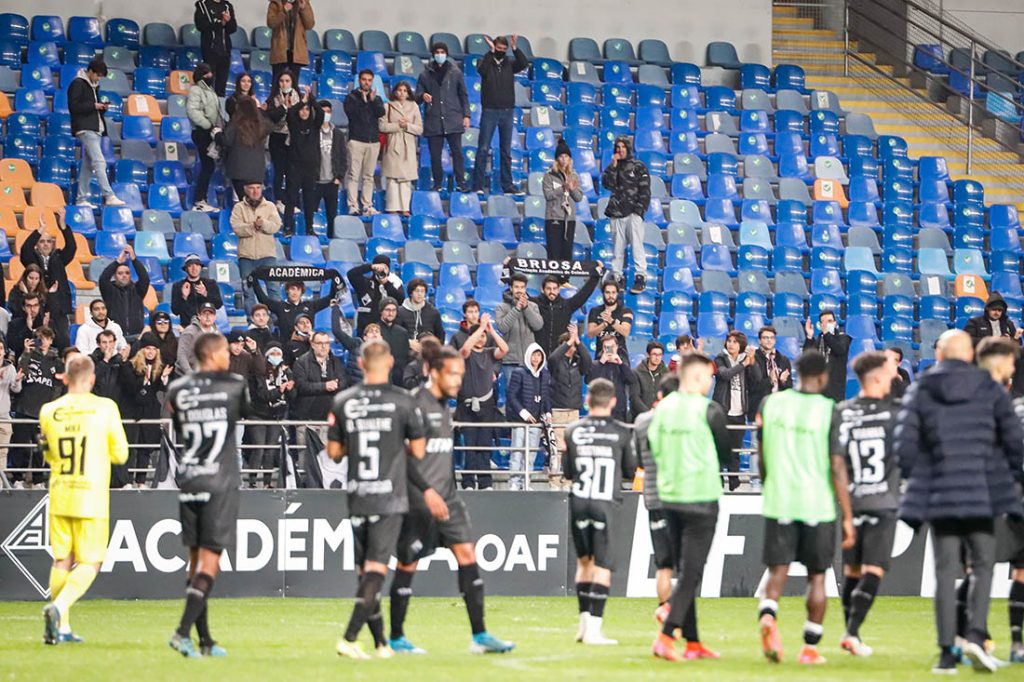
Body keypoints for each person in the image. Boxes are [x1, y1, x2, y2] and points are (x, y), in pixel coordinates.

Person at [894, 330, 1023, 673]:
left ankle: (947, 653)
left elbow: (904, 444)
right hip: (982, 493)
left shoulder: (921, 388)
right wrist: (1011, 478)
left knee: (945, 571)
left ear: (941, 354)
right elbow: (1013, 441)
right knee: (982, 567)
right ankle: (977, 638)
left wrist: (917, 475)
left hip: (939, 495)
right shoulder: (988, 388)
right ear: (968, 354)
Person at [387, 344, 515, 654]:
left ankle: (480, 636)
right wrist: (427, 492)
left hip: (448, 498)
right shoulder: (415, 404)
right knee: (407, 565)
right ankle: (396, 637)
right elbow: (402, 457)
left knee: (468, 557)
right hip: (418, 501)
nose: (458, 380)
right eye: (453, 374)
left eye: (460, 374)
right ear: (434, 372)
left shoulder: (445, 405)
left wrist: (443, 490)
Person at [328, 339, 426, 659]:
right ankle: (349, 637)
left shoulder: (344, 400)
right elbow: (419, 451)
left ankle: (381, 643)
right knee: (376, 571)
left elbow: (334, 452)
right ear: (390, 364)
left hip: (357, 495)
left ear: (359, 365)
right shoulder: (403, 400)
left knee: (364, 574)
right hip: (389, 496)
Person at [755, 350, 854, 666]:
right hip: (817, 503)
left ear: (796, 372)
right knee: (817, 577)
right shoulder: (829, 410)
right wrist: (849, 515)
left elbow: (761, 455)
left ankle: (768, 613)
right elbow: (837, 466)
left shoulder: (772, 404)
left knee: (778, 570)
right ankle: (810, 648)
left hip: (779, 498)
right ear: (823, 377)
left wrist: (768, 482)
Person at [166, 332, 250, 658]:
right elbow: (243, 413)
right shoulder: (233, 385)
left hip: (189, 482)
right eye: (225, 352)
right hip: (220, 482)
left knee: (194, 564)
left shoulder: (177, 389)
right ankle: (181, 631)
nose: (229, 356)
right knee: (209, 565)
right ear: (213, 355)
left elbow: (176, 417)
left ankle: (205, 641)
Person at [647, 354, 731, 662]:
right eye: (708, 376)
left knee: (685, 571)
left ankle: (693, 643)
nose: (711, 382)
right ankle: (667, 636)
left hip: (669, 498)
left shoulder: (662, 409)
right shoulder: (709, 410)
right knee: (693, 573)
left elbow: (655, 448)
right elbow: (726, 454)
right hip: (701, 498)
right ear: (696, 377)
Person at [39, 354, 128, 644]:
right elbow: (121, 454)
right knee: (92, 561)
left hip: (60, 493)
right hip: (90, 495)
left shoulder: (49, 410)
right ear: (91, 380)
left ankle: (60, 628)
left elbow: (49, 454)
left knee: (62, 559)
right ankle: (59, 607)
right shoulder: (105, 408)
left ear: (64, 378)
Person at [833, 351, 899, 658]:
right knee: (874, 570)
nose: (893, 376)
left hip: (851, 502)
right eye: (888, 373)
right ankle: (851, 632)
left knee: (852, 571)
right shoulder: (896, 412)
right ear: (875, 377)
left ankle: (852, 635)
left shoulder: (842, 412)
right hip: (883, 500)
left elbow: (834, 463)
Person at [564, 378, 637, 646]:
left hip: (580, 501)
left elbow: (568, 472)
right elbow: (630, 471)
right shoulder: (621, 432)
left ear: (587, 401)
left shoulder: (573, 430)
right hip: (605, 503)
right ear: (614, 402)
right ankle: (595, 630)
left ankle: (583, 626)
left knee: (584, 563)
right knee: (602, 566)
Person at [471, 35, 529, 194]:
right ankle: (477, 185)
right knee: (483, 148)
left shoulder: (509, 65)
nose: (501, 51)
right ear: (494, 47)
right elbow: (481, 70)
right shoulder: (486, 62)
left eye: (504, 49)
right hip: (489, 111)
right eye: (499, 48)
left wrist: (515, 48)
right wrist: (490, 53)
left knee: (506, 150)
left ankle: (507, 185)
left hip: (507, 112)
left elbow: (523, 63)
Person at [457, 316, 507, 490]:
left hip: (486, 406)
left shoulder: (489, 353)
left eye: (483, 336)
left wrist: (490, 330)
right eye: (479, 336)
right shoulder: (467, 354)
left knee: (485, 444)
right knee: (470, 445)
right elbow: (464, 349)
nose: (481, 338)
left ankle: (485, 482)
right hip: (468, 406)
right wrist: (479, 328)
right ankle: (468, 482)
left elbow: (504, 349)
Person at [67, 58, 125, 208]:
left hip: (95, 127)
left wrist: (101, 108)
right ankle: (109, 195)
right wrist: (94, 106)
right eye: (97, 75)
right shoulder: (78, 84)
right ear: (90, 71)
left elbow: (90, 108)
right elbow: (74, 107)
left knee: (87, 166)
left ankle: (81, 199)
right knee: (100, 162)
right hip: (85, 128)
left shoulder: (94, 86)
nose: (99, 78)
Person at [10, 327, 63, 488]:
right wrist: (26, 352)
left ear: (51, 340)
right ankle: (18, 478)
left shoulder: (57, 362)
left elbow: (58, 386)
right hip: (24, 407)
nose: (43, 342)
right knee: (21, 446)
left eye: (46, 338)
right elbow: (20, 372)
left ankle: (39, 480)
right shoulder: (29, 355)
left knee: (41, 448)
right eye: (40, 338)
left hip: (43, 410)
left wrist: (50, 407)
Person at [120, 333, 174, 487]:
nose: (150, 352)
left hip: (150, 411)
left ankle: (141, 481)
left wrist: (163, 378)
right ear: (141, 350)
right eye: (147, 348)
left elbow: (162, 389)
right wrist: (143, 380)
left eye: (153, 349)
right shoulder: (130, 366)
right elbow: (129, 388)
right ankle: (127, 480)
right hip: (133, 411)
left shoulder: (159, 367)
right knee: (130, 447)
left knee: (145, 448)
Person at [416, 42, 470, 192]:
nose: (440, 54)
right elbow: (417, 96)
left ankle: (461, 182)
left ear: (446, 54)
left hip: (453, 118)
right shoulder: (424, 75)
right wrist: (422, 95)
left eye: (442, 51)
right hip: (433, 119)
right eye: (437, 52)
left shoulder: (456, 72)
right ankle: (438, 183)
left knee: (457, 153)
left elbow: (463, 95)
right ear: (433, 55)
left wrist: (466, 115)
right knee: (435, 156)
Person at [21, 209, 77, 347]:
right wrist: (40, 230)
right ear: (37, 245)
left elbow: (71, 247)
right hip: (38, 308)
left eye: (49, 241)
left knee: (62, 343)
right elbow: (25, 249)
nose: (46, 244)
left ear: (53, 244)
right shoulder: (31, 259)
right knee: (39, 343)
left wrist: (62, 225)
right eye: (42, 241)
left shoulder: (59, 257)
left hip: (58, 309)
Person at [602, 136, 650, 294]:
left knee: (637, 245)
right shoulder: (613, 167)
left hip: (633, 213)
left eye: (623, 147)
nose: (620, 150)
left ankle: (640, 276)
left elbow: (645, 190)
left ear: (628, 148)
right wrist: (613, 166)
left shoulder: (638, 166)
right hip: (616, 213)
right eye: (617, 147)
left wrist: (639, 211)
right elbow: (607, 184)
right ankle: (617, 277)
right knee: (617, 248)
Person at [247, 342, 295, 487]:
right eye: (273, 354)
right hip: (258, 414)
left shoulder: (286, 372)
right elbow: (261, 395)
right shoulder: (259, 372)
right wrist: (278, 391)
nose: (276, 357)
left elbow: (292, 396)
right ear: (267, 356)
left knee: (270, 450)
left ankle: (267, 483)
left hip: (277, 415)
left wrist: (291, 389)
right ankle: (252, 482)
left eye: (278, 354)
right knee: (259, 448)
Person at [548, 325, 592, 481]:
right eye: (567, 344)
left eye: (572, 344)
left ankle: (568, 481)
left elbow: (589, 362)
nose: (570, 347)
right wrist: (569, 340)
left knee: (572, 447)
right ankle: (554, 480)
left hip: (573, 410)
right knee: (557, 448)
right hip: (557, 409)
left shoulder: (579, 363)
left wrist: (578, 342)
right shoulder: (555, 362)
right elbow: (552, 358)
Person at [712, 331, 754, 491]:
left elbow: (756, 378)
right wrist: (744, 364)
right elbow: (725, 374)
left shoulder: (747, 360)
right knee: (719, 449)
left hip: (739, 412)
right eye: (729, 341)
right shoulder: (720, 358)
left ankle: (734, 483)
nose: (731, 344)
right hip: (723, 411)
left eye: (735, 342)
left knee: (735, 451)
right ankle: (718, 482)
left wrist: (753, 361)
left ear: (741, 345)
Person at [291, 330, 344, 457]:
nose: (323, 346)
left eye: (326, 343)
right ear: (312, 344)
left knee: (327, 459)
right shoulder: (301, 363)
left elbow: (343, 383)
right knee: (305, 456)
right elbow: (302, 386)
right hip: (306, 419)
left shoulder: (336, 362)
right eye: (320, 343)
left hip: (328, 419)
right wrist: (325, 386)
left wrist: (336, 385)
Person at [231, 181, 283, 312]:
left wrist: (263, 224)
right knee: (248, 291)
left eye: (258, 188)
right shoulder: (239, 207)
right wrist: (253, 226)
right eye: (252, 188)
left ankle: (277, 320)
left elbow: (276, 226)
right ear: (246, 189)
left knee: (273, 289)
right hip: (246, 256)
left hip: (267, 255)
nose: (256, 191)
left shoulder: (270, 206)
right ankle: (252, 322)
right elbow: (237, 229)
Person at [506, 343, 551, 490]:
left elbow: (546, 397)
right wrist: (523, 413)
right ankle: (514, 482)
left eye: (539, 355)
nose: (536, 358)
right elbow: (511, 396)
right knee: (517, 451)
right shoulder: (519, 372)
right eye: (534, 354)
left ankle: (526, 482)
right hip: (520, 421)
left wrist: (548, 413)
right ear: (528, 355)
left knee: (531, 453)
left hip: (536, 422)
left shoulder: (545, 374)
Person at [343, 70, 386, 216]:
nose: (366, 82)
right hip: (356, 140)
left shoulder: (377, 98)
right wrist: (364, 101)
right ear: (359, 81)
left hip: (373, 141)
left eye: (369, 80)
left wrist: (372, 101)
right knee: (354, 175)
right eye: (364, 79)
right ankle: (353, 205)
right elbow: (353, 114)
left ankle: (367, 205)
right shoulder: (351, 98)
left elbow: (380, 113)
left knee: (369, 176)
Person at [282, 88, 324, 236]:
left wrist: (311, 99)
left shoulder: (314, 126)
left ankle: (309, 228)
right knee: (291, 198)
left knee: (309, 200)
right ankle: (287, 228)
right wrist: (301, 102)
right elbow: (291, 113)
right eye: (302, 110)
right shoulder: (294, 125)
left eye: (307, 110)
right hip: (295, 167)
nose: (304, 112)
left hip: (311, 169)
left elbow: (321, 113)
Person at [377, 81, 423, 216]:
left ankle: (405, 208)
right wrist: (397, 126)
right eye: (399, 90)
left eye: (405, 90)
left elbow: (419, 128)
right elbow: (382, 126)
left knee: (406, 179)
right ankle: (391, 207)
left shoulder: (414, 106)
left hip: (408, 146)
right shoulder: (387, 106)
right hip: (393, 145)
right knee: (392, 179)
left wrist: (407, 126)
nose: (402, 93)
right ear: (395, 92)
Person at [532, 271, 600, 356]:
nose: (551, 291)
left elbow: (584, 294)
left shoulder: (567, 305)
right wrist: (510, 268)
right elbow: (518, 294)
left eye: (554, 288)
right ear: (542, 289)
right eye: (548, 288)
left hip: (560, 356)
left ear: (559, 289)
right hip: (538, 357)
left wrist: (595, 276)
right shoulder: (534, 304)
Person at [251, 276, 338, 342]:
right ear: (287, 290)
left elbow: (329, 298)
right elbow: (263, 299)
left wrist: (334, 281)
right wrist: (254, 281)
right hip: (286, 347)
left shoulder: (310, 305)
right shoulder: (280, 306)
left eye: (298, 289)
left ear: (302, 292)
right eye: (292, 289)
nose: (295, 292)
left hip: (306, 346)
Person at [186, 63, 224, 213]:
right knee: (208, 166)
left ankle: (202, 199)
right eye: (206, 73)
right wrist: (208, 125)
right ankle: (199, 201)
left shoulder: (210, 90)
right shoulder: (196, 90)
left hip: (211, 131)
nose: (210, 76)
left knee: (209, 166)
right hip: (202, 132)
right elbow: (192, 111)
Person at [494, 273, 543, 387]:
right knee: (513, 394)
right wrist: (517, 309)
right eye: (516, 287)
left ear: (525, 288)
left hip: (530, 360)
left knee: (530, 393)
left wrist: (526, 308)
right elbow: (503, 328)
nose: (519, 290)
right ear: (511, 288)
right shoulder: (501, 307)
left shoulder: (533, 306)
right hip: (510, 361)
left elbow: (538, 325)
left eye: (522, 287)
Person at [223, 97, 272, 201]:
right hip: (257, 172)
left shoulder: (235, 123)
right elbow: (270, 125)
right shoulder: (262, 125)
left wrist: (217, 134)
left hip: (238, 171)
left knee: (243, 202)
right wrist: (260, 110)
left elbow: (227, 140)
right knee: (253, 203)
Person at [543, 140, 584, 265]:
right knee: (554, 253)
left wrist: (571, 189)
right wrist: (563, 188)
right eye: (561, 156)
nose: (564, 159)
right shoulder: (549, 176)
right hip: (554, 218)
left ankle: (565, 280)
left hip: (569, 219)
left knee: (567, 252)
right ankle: (554, 281)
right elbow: (548, 195)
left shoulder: (574, 176)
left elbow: (578, 198)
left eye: (566, 156)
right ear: (556, 159)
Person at [265, 70, 301, 208]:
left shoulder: (300, 98)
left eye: (287, 81)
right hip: (277, 138)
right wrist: (284, 107)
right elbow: (272, 117)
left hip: (293, 138)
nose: (284, 83)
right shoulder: (272, 99)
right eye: (282, 81)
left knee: (293, 172)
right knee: (279, 170)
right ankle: (279, 200)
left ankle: (293, 201)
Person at [99, 245, 150, 341]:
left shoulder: (138, 290)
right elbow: (103, 279)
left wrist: (134, 260)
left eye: (127, 273)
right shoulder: (110, 291)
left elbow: (145, 278)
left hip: (136, 335)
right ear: (115, 275)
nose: (124, 276)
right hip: (115, 337)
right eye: (120, 273)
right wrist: (117, 262)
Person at [746, 326, 793, 425]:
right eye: (765, 338)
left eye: (772, 338)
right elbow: (751, 386)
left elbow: (789, 388)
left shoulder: (783, 360)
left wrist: (783, 382)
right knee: (756, 440)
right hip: (758, 408)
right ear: (759, 341)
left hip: (779, 410)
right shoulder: (752, 358)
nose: (769, 340)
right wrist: (770, 380)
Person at [803, 310, 852, 403]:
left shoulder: (843, 338)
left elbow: (840, 349)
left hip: (835, 390)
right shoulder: (818, 341)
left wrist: (827, 334)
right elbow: (806, 359)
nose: (827, 325)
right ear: (820, 325)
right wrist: (809, 337)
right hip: (818, 391)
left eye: (829, 321)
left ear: (835, 323)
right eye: (824, 322)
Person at [316, 100, 348, 236]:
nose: (325, 115)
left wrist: (339, 177)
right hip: (315, 182)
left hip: (332, 182)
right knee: (311, 213)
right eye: (323, 112)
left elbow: (343, 157)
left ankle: (330, 239)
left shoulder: (339, 134)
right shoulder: (311, 133)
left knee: (331, 215)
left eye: (328, 112)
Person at [348, 257, 404, 335]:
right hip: (366, 330)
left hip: (388, 330)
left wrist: (386, 284)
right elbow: (351, 274)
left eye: (385, 268)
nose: (382, 270)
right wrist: (370, 267)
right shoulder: (365, 284)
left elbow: (401, 300)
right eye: (379, 267)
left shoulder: (394, 284)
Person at [193, 0, 236, 96]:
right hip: (210, 51)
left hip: (224, 51)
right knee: (208, 84)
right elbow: (201, 26)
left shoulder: (227, 6)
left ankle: (219, 106)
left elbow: (233, 28)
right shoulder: (202, 4)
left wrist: (228, 21)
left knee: (221, 85)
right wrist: (220, 23)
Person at [588, 336, 635, 423]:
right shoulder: (596, 364)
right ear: (602, 348)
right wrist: (601, 363)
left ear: (617, 347)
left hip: (619, 409)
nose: (609, 350)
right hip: (601, 408)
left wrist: (621, 364)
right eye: (606, 347)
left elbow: (631, 380)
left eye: (612, 347)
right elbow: (590, 381)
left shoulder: (622, 364)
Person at [266, 0, 315, 83]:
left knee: (294, 82)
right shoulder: (275, 3)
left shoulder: (303, 2)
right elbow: (271, 23)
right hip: (280, 50)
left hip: (296, 50)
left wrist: (303, 9)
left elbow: (310, 25)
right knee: (277, 81)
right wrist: (283, 11)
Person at [172, 254, 223, 323]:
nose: (194, 268)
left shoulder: (210, 283)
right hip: (187, 325)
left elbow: (218, 304)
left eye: (197, 265)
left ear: (200, 267)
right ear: (186, 269)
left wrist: (206, 294)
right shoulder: (178, 286)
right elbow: (175, 311)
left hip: (207, 325)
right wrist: (184, 297)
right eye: (190, 266)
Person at [586, 280, 633, 354]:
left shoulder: (626, 311)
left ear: (617, 293)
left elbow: (625, 332)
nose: (611, 296)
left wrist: (611, 321)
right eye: (607, 292)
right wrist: (604, 324)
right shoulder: (595, 311)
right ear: (603, 293)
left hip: (620, 354)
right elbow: (590, 334)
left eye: (613, 292)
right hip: (601, 353)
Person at [176, 302, 221, 376]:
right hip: (185, 375)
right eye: (205, 314)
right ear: (199, 316)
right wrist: (190, 373)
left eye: (211, 314)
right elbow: (182, 355)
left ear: (215, 317)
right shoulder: (189, 332)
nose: (208, 317)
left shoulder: (217, 334)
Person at [396, 278, 444, 342]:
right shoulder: (400, 312)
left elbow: (440, 336)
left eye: (422, 291)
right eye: (417, 291)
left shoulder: (433, 312)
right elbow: (397, 335)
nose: (419, 294)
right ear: (411, 293)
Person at [377, 298, 411, 385]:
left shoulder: (403, 332)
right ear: (381, 311)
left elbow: (406, 357)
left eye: (393, 310)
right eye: (387, 310)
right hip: (380, 377)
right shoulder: (375, 331)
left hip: (399, 379)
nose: (391, 313)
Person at [632, 341, 667, 417]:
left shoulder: (666, 373)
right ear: (648, 355)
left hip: (660, 416)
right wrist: (648, 414)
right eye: (654, 354)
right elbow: (635, 398)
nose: (657, 357)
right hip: (641, 417)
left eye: (660, 355)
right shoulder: (637, 373)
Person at [0, 340, 18, 480]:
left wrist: (17, 380)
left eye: (0, 348)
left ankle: (0, 486)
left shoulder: (10, 368)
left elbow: (16, 390)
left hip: (4, 417)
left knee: (2, 454)